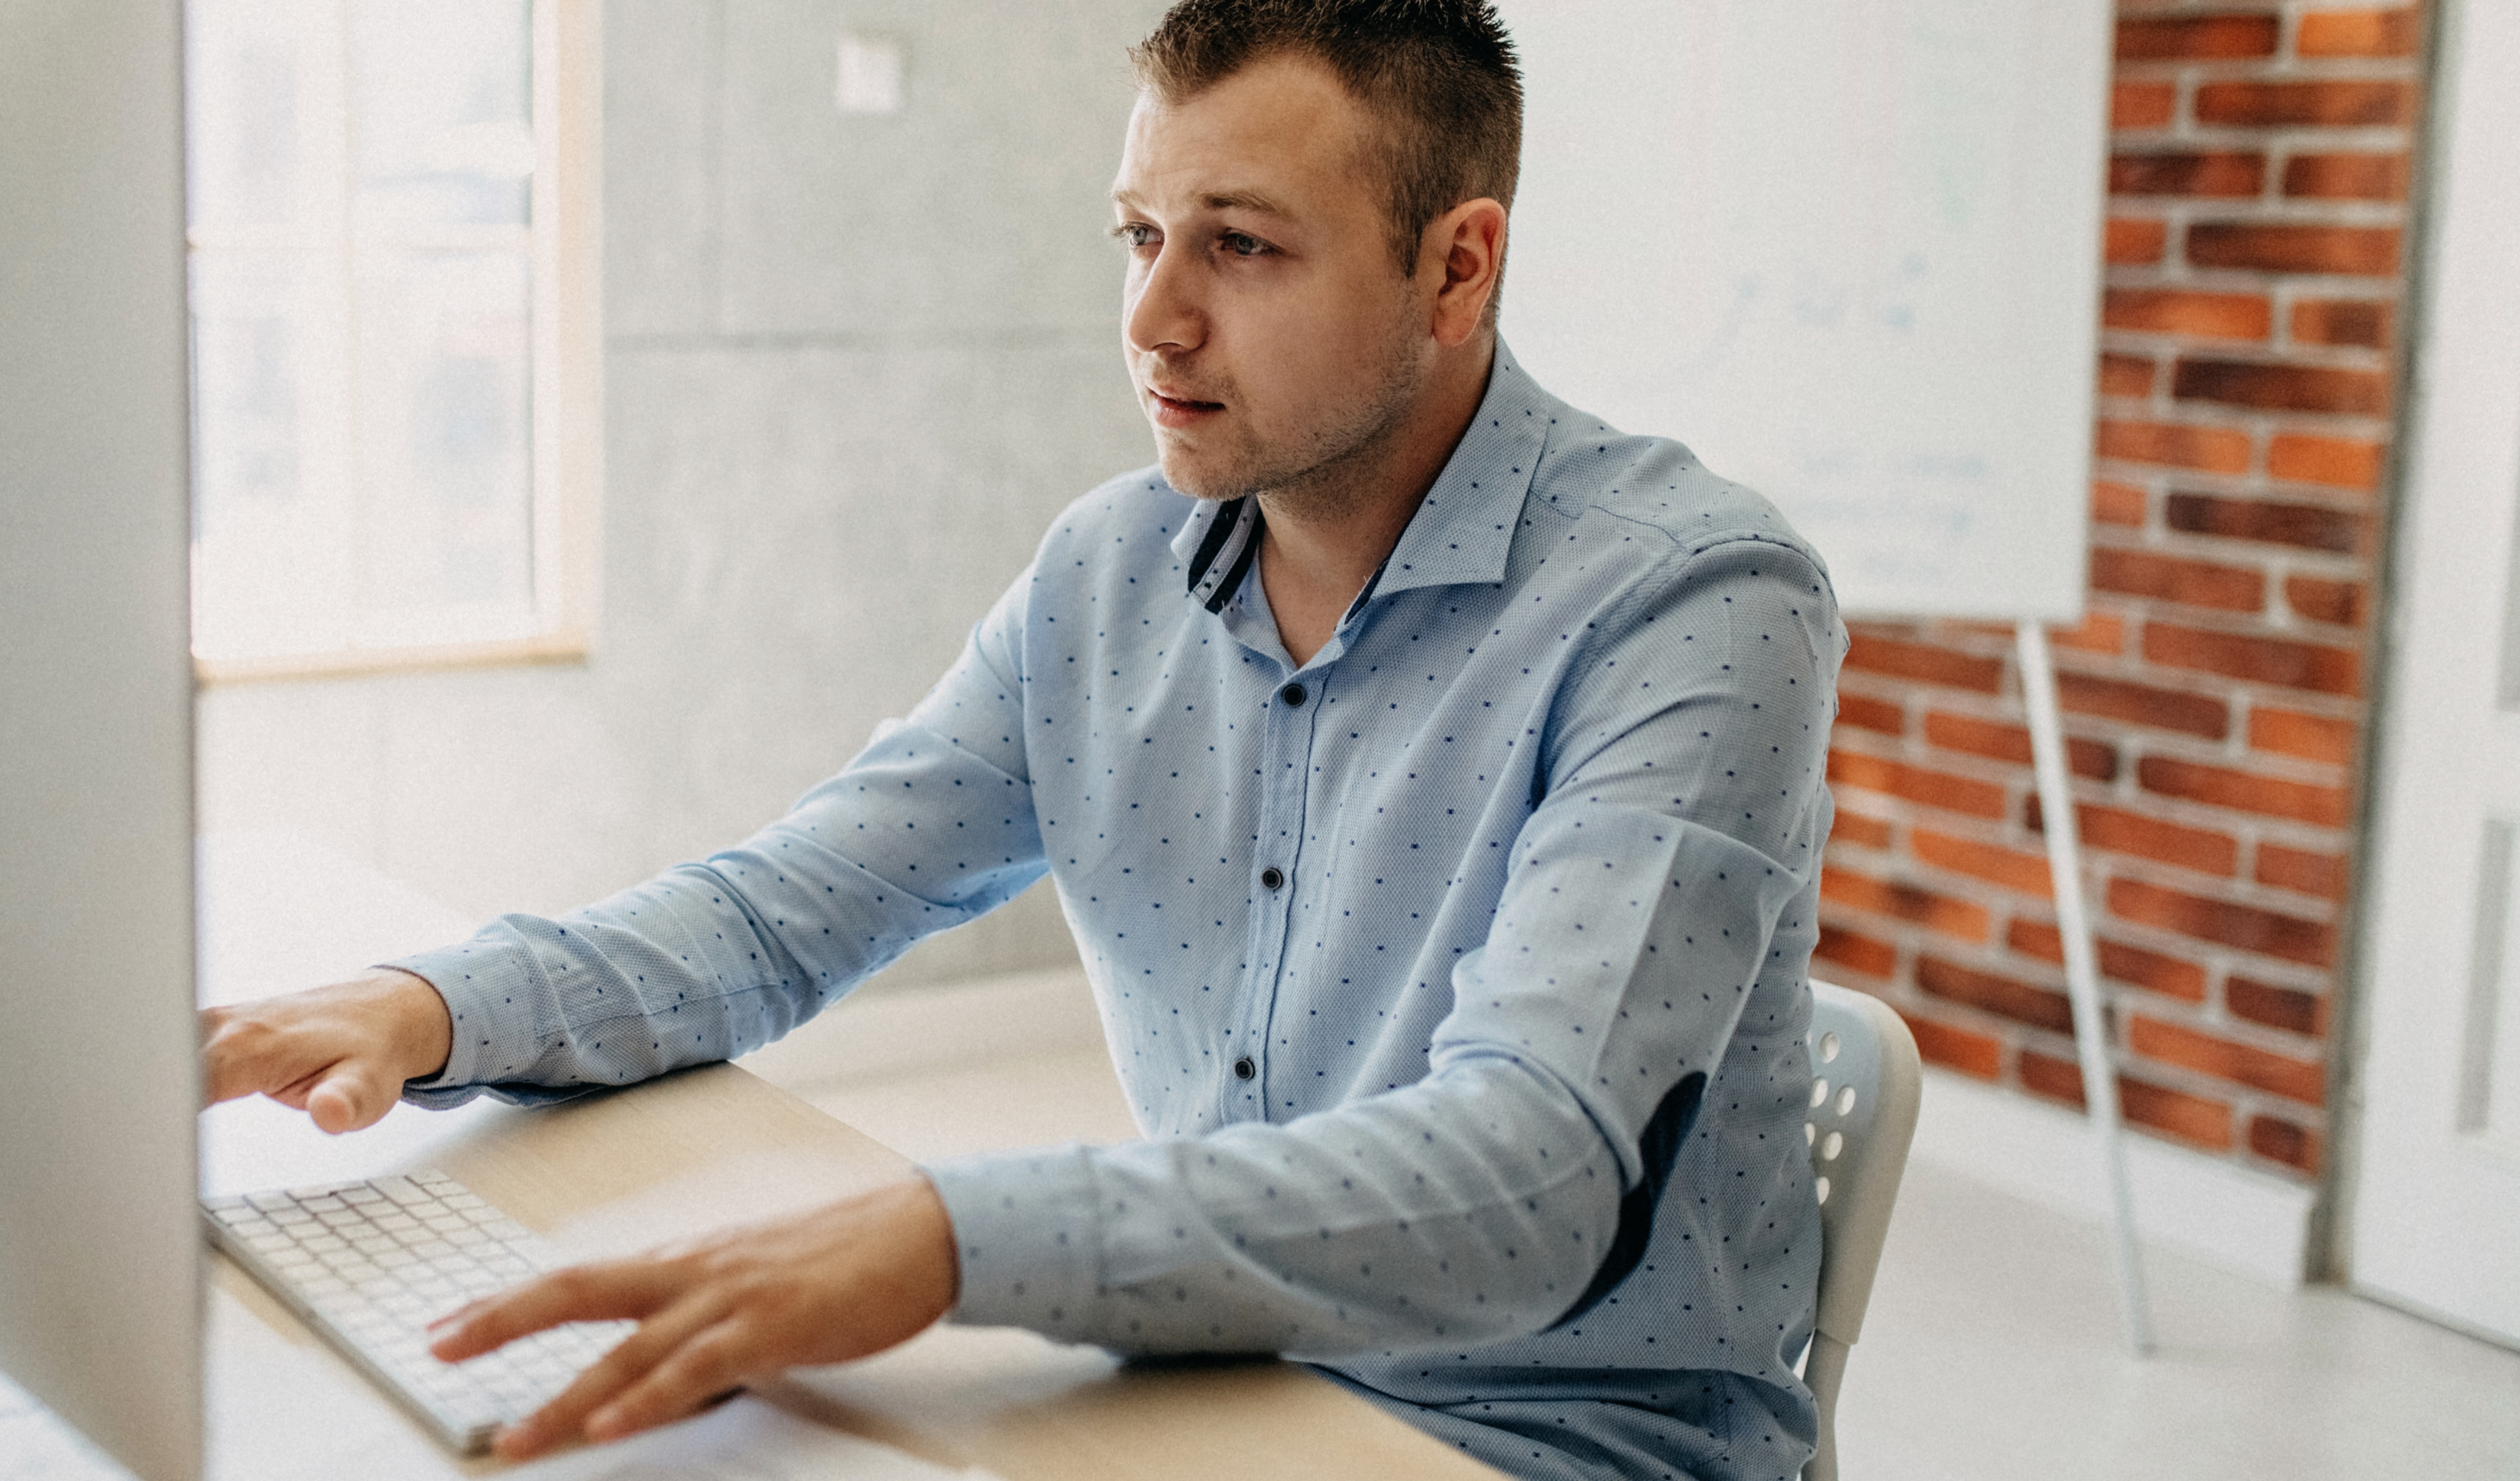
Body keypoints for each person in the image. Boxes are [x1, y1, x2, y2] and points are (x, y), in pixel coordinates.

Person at [201, 2, 1841, 1476]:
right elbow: (789, 907)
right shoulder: (1109, 572)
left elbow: (1525, 1181)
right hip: (1223, 1377)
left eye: (1241, 248)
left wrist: (939, 1240)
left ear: (1454, 265)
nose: (1152, 320)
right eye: (1136, 235)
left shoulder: (1691, 599)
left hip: (1552, 1443)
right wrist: (428, 1002)